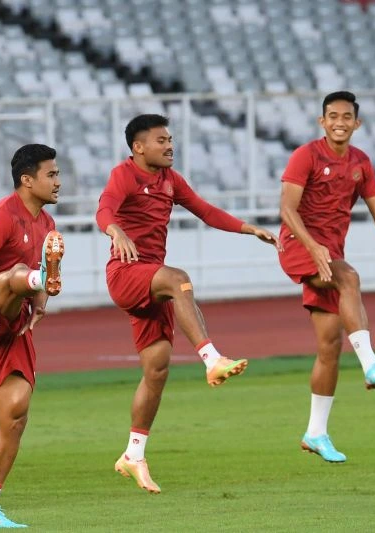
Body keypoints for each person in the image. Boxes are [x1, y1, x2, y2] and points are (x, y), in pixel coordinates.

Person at [96, 114, 277, 494]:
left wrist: (249, 229)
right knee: (179, 279)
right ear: (139, 147)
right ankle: (212, 359)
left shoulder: (170, 181)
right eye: (161, 140)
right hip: (127, 274)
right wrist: (115, 231)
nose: (170, 145)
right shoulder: (124, 175)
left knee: (157, 370)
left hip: (152, 281)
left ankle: (133, 455)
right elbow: (105, 209)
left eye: (170, 139)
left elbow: (205, 210)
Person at [278, 91, 375, 463]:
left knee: (329, 346)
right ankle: (371, 363)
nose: (339, 122)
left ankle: (315, 433)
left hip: (330, 254)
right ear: (322, 122)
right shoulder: (306, 155)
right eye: (332, 116)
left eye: (347, 117)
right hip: (298, 245)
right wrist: (312, 247)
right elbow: (286, 208)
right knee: (350, 278)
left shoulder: (361, 162)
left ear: (357, 123)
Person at [0, 143, 64, 528]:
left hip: (15, 321)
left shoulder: (47, 226)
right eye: (51, 174)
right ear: (27, 179)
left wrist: (39, 302)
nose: (58, 181)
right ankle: (37, 277)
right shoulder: (3, 215)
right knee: (14, 273)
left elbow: (36, 285)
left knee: (15, 414)